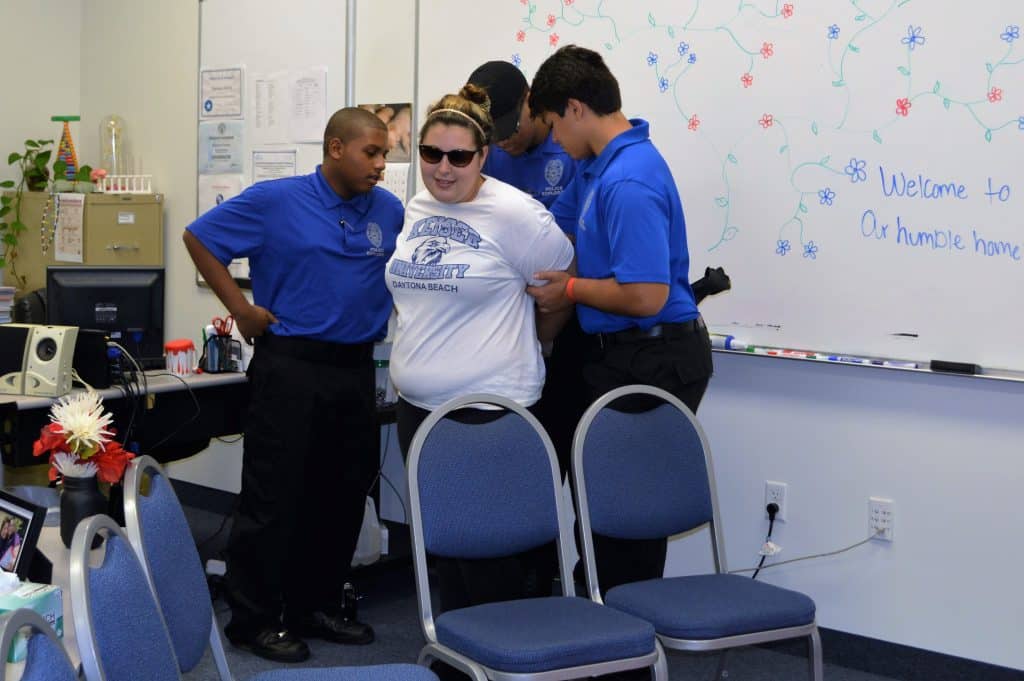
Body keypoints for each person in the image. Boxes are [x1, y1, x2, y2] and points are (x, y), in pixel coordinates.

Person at [183, 107, 403, 664]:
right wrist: (241, 309)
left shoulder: (390, 211)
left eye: (385, 154)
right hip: (290, 366)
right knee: (274, 499)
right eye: (370, 153)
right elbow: (199, 238)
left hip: (355, 369)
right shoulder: (275, 200)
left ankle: (316, 606)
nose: (381, 164)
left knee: (342, 496)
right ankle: (252, 620)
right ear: (335, 148)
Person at [526, 45, 714, 595]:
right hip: (618, 353)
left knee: (623, 521)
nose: (555, 140)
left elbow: (646, 295)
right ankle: (599, 634)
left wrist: (571, 289)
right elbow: (556, 238)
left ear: (578, 109)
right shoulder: (594, 167)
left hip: (652, 356)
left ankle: (623, 651)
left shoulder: (628, 181)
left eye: (556, 125)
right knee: (600, 505)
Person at [386, 85, 574, 613]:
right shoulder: (417, 206)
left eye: (459, 157)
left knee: (491, 568)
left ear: (483, 156)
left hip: (489, 416)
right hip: (419, 412)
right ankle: (457, 665)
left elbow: (562, 287)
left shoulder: (517, 215)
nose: (443, 168)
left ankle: (503, 667)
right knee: (445, 557)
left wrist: (538, 338)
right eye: (431, 154)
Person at [466, 60, 577, 210]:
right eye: (492, 136)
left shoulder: (574, 150)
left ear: (530, 100)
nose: (501, 143)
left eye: (510, 129)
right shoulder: (483, 155)